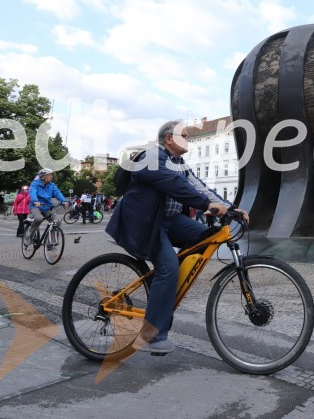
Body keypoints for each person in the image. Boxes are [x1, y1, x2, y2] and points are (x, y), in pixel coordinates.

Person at [106, 120, 248, 355]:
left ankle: (163, 291)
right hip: (147, 223)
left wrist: (230, 207)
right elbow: (174, 184)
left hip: (170, 221)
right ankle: (154, 334)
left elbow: (197, 185)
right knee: (168, 267)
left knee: (206, 237)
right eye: (184, 135)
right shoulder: (151, 157)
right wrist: (206, 205)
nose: (188, 139)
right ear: (169, 139)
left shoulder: (179, 162)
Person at [26, 169, 69, 243]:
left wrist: (64, 201)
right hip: (36, 206)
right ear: (43, 176)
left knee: (58, 221)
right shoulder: (35, 184)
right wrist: (36, 201)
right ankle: (29, 236)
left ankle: (51, 242)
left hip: (47, 207)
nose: (51, 177)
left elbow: (57, 193)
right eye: (50, 175)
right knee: (39, 218)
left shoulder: (52, 185)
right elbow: (33, 193)